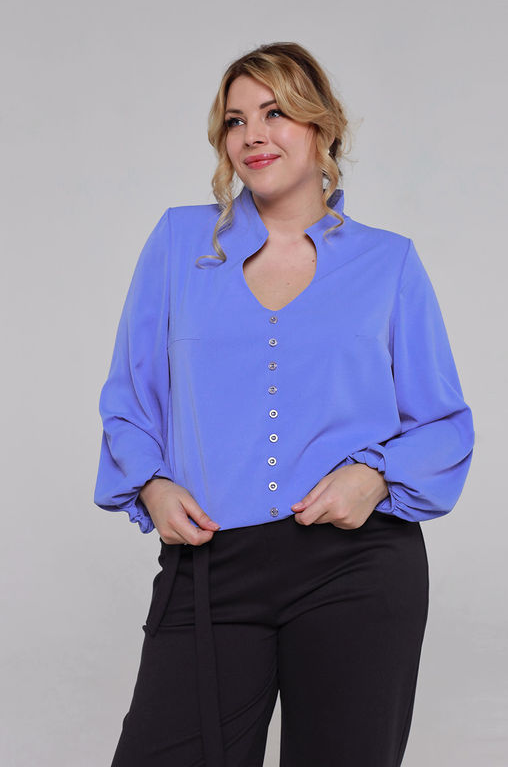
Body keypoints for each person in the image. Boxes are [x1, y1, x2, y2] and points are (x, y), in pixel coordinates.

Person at [93, 42, 475, 767]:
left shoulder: (388, 263)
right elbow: (130, 397)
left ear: (320, 125)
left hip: (355, 567)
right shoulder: (179, 244)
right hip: (212, 565)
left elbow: (442, 423)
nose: (253, 135)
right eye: (236, 121)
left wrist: (376, 477)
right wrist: (152, 483)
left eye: (274, 113)